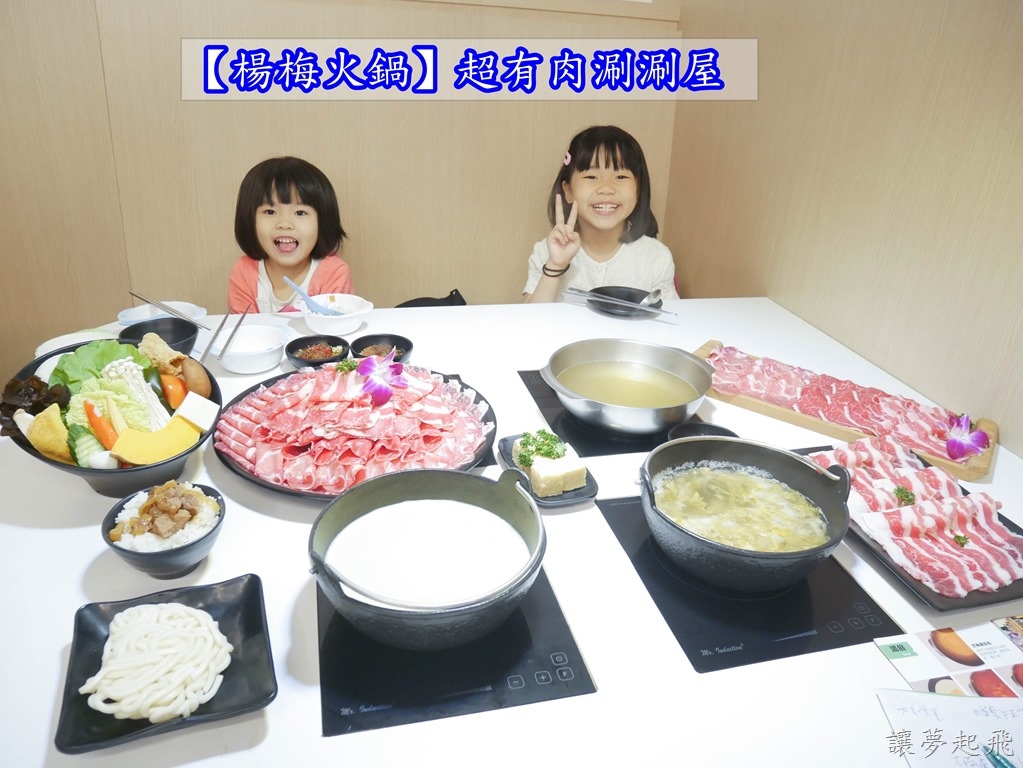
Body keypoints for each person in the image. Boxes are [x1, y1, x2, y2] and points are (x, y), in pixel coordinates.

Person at [522, 126, 679, 303]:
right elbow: (531, 318)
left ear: (638, 189)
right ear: (568, 191)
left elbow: (672, 316)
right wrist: (555, 266)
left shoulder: (656, 256)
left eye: (620, 177)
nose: (606, 188)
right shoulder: (547, 251)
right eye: (591, 177)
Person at [228, 156, 352, 313]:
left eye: (300, 212)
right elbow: (245, 327)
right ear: (249, 220)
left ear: (323, 221)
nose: (285, 224)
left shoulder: (333, 272)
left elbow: (332, 325)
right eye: (270, 212)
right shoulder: (244, 271)